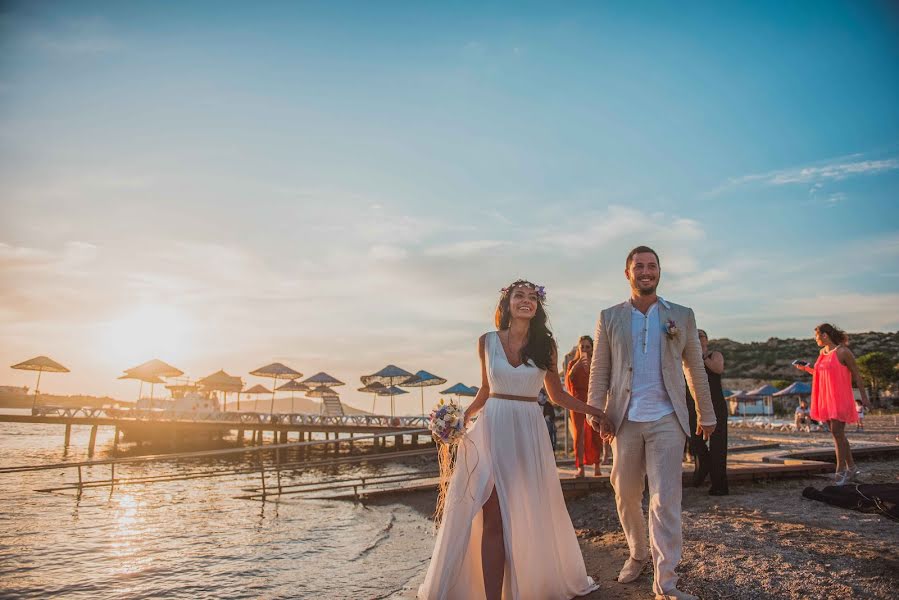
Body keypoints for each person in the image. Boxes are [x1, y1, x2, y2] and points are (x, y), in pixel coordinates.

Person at [418, 279, 611, 600]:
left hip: (528, 433)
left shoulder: (545, 346)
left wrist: (595, 410)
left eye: (532, 297)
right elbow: (484, 390)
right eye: (519, 296)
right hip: (491, 430)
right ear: (506, 305)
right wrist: (457, 421)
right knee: (491, 514)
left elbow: (557, 394)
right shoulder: (487, 341)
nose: (526, 301)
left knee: (522, 513)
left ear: (538, 307)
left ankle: (524, 586)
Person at [586, 246, 715, 600]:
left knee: (665, 500)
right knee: (626, 493)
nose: (646, 271)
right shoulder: (609, 316)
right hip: (623, 419)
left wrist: (707, 414)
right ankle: (638, 553)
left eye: (652, 266)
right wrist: (595, 412)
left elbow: (695, 368)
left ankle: (666, 583)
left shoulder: (682, 316)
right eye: (639, 266)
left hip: (667, 418)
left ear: (659, 271)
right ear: (627, 273)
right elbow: (599, 370)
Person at [794, 323, 871, 485]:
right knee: (838, 434)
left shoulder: (843, 352)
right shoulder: (822, 353)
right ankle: (852, 468)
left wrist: (864, 397)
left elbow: (857, 374)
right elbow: (821, 372)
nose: (815, 339)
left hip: (840, 398)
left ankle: (840, 471)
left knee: (837, 432)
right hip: (826, 398)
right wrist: (806, 369)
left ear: (824, 335)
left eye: (816, 336)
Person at [685, 329, 729, 496]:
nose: (697, 338)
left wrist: (701, 355)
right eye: (694, 336)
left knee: (718, 445)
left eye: (700, 336)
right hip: (692, 404)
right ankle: (703, 467)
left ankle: (719, 485)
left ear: (706, 340)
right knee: (694, 440)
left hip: (715, 403)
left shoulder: (714, 355)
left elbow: (718, 369)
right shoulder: (687, 357)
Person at [565, 335, 608, 477]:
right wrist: (578, 364)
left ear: (592, 349)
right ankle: (580, 468)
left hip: (592, 401)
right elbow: (568, 380)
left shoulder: (596, 364)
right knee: (579, 435)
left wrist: (589, 365)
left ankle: (596, 465)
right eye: (582, 346)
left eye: (587, 347)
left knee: (595, 433)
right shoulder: (572, 364)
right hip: (576, 402)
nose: (584, 349)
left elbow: (599, 382)